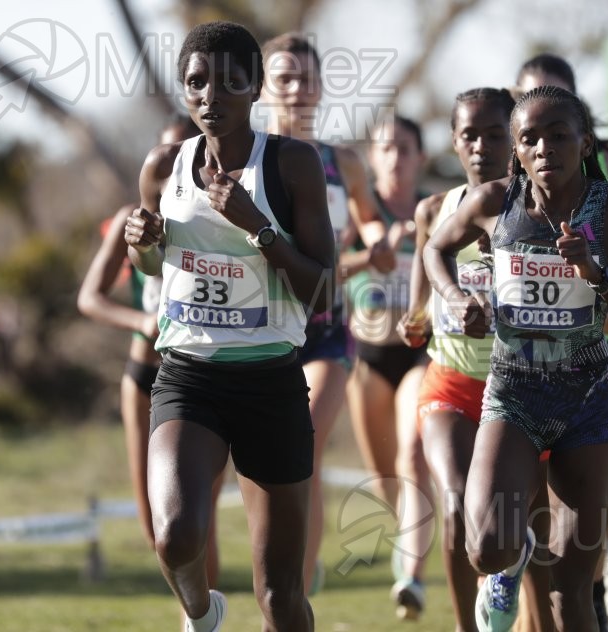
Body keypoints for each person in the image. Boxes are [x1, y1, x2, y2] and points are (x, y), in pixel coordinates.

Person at [424, 85, 608, 632]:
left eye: (558, 136)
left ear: (584, 144)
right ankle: (515, 555)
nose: (544, 149)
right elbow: (434, 248)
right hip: (513, 394)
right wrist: (457, 298)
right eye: (529, 139)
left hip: (586, 405)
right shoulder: (494, 202)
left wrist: (600, 280)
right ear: (516, 151)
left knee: (570, 593)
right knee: (487, 548)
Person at [123, 21, 333, 632]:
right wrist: (143, 245)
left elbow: (323, 293)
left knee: (281, 598)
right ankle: (201, 611)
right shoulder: (164, 166)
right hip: (189, 376)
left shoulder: (292, 165)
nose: (210, 97)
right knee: (175, 537)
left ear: (255, 88)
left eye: (227, 82)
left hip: (271, 382)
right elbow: (150, 267)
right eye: (195, 84)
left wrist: (259, 227)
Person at [258, 31, 393, 596]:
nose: (296, 90)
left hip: (326, 331)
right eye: (283, 79)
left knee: (304, 442)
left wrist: (383, 242)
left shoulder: (344, 163)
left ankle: (297, 583)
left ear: (320, 88)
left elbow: (372, 225)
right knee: (267, 466)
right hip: (261, 331)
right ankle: (279, 565)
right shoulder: (249, 158)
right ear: (264, 89)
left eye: (305, 79)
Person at [517, 51, 608, 626]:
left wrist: (597, 288)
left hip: (603, 352)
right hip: (522, 367)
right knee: (523, 507)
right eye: (530, 116)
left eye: (559, 115)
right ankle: (534, 607)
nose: (545, 140)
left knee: (589, 494)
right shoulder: (502, 191)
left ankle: (588, 578)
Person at [78, 118, 227, 611]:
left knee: (198, 516)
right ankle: (197, 613)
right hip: (145, 375)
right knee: (157, 523)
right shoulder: (134, 216)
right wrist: (140, 321)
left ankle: (203, 621)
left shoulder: (215, 212)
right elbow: (90, 298)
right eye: (163, 153)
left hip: (203, 376)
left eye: (180, 151)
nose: (170, 163)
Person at [397, 87, 531, 632]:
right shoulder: (435, 208)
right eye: (469, 135)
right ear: (453, 141)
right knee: (455, 504)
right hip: (451, 381)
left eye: (495, 134)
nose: (482, 146)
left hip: (524, 388)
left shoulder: (538, 209)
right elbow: (427, 258)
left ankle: (510, 568)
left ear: (516, 141)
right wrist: (418, 313)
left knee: (523, 532)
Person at [344, 114, 434, 619]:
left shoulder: (436, 209)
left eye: (405, 148)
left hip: (419, 351)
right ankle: (411, 538)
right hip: (366, 357)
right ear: (371, 157)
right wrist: (370, 255)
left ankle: (411, 578)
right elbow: (324, 268)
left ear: (421, 157)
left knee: (414, 451)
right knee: (386, 484)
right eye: (385, 148)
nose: (395, 158)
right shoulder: (360, 212)